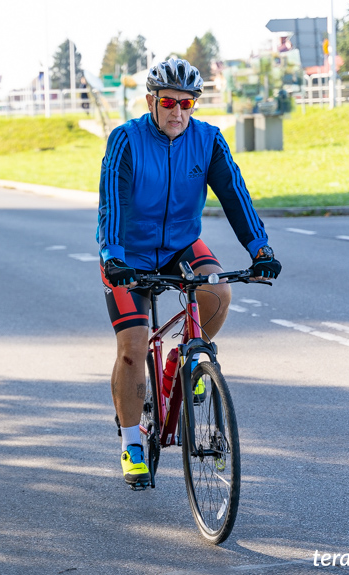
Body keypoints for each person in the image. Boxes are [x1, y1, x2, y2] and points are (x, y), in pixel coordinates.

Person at [97, 58, 281, 489]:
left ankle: (180, 362)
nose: (178, 111)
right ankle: (132, 444)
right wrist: (113, 255)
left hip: (182, 242)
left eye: (187, 103)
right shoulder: (126, 140)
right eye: (168, 102)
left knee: (217, 293)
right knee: (132, 347)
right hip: (130, 252)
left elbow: (235, 195)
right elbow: (112, 202)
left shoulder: (209, 141)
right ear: (151, 101)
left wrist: (260, 249)